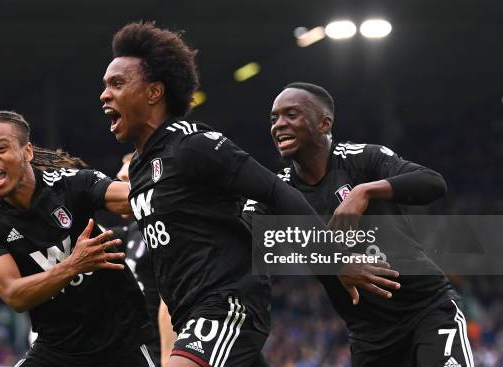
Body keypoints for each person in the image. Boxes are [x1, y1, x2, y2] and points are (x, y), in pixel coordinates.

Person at [99, 22, 399, 367]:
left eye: (117, 84)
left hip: (227, 307)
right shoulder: (139, 167)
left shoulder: (193, 144)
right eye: (105, 85)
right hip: (191, 318)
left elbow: (278, 192)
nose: (105, 94)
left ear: (154, 92)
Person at [244, 82, 474, 366]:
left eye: (291, 114)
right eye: (274, 118)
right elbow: (248, 237)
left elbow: (433, 182)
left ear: (324, 123)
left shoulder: (364, 159)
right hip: (370, 339)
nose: (279, 125)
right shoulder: (278, 191)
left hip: (427, 312)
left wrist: (364, 191)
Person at [0, 111, 155, 367]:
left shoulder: (70, 185)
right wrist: (74, 265)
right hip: (57, 350)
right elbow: (15, 295)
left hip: (120, 342)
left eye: (1, 148)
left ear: (27, 152)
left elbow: (130, 199)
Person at [114, 152, 176, 367]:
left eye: (125, 181)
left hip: (162, 353)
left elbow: (170, 298)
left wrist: (168, 359)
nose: (117, 188)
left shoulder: (169, 227)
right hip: (138, 351)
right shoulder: (133, 230)